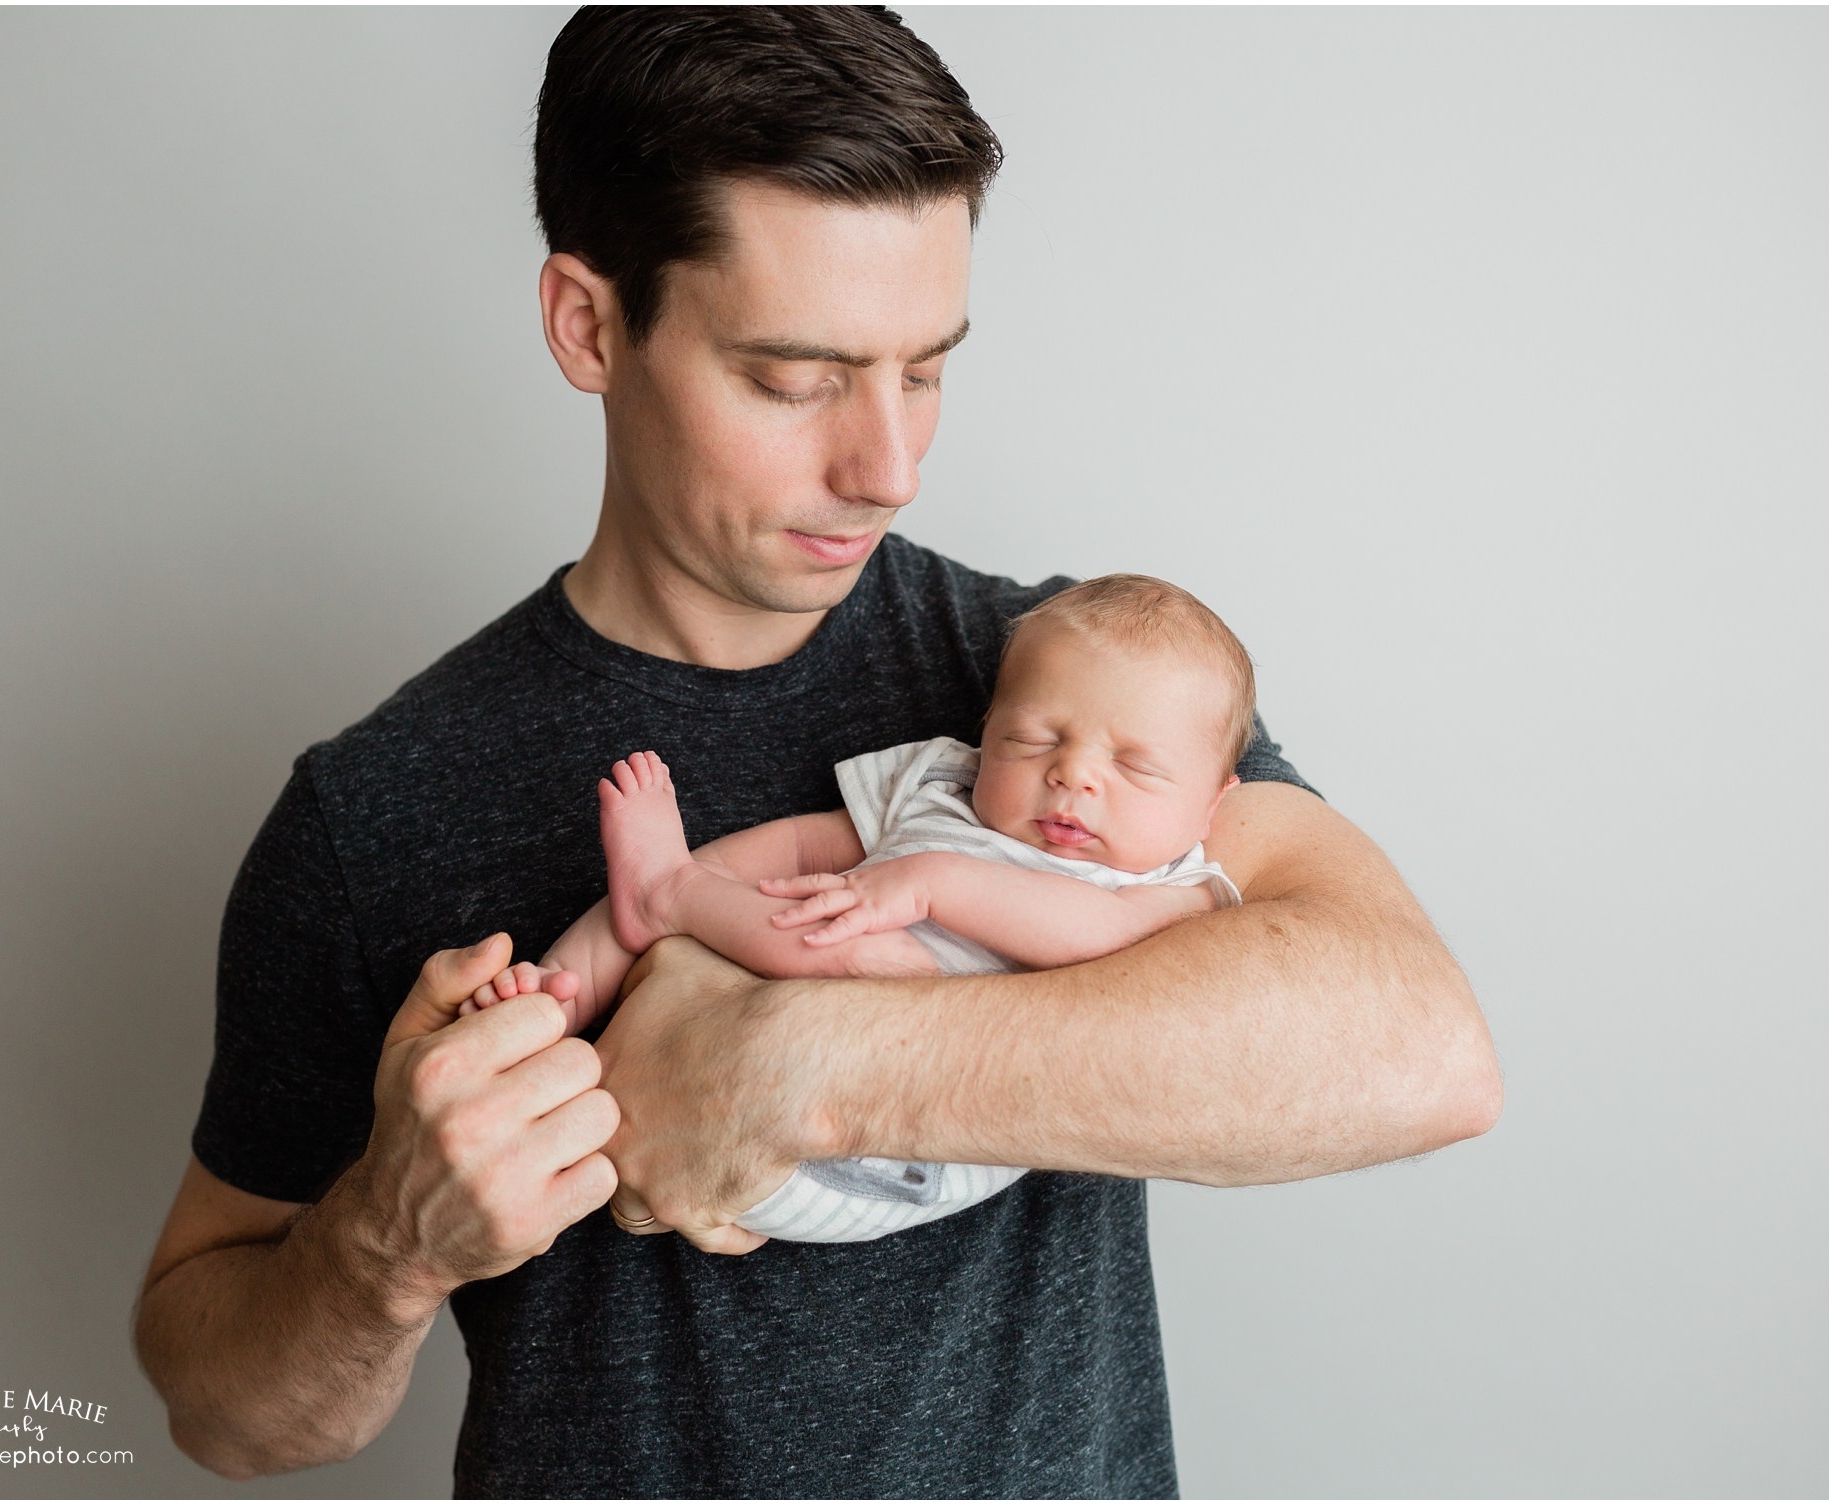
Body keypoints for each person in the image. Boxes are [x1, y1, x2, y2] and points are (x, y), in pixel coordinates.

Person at [133, 8, 1502, 1497]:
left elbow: (1415, 1052)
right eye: (798, 378)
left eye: (926, 369)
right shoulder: (373, 809)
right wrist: (382, 1248)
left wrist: (813, 1069)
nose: (890, 467)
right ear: (591, 326)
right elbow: (225, 1409)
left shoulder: (1062, 691)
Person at [470, 573, 1250, 1245]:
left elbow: (1093, 935)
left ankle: (668, 896)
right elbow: (803, 852)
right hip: (719, 1101)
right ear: (986, 730)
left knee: (869, 955)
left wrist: (931, 882)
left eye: (1135, 767)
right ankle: (551, 1002)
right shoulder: (941, 784)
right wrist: (706, 876)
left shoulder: (1177, 890)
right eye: (1033, 738)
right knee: (681, 907)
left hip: (893, 1152)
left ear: (1214, 802)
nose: (1073, 774)